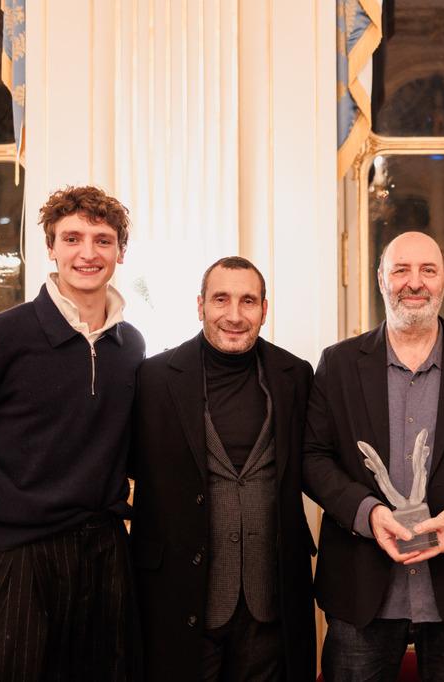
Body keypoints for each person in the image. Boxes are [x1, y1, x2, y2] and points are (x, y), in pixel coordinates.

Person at [0, 186, 145, 681]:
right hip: (17, 555)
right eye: (72, 238)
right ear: (50, 248)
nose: (88, 253)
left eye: (103, 240)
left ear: (120, 253)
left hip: (104, 552)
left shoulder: (131, 346)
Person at [303, 231, 444, 681]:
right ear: (381, 279)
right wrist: (367, 513)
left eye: (428, 270)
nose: (414, 282)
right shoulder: (338, 363)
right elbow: (312, 458)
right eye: (401, 270)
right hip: (360, 590)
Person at [127, 256, 316, 681]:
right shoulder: (154, 378)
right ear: (200, 306)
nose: (234, 315)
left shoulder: (295, 375)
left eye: (247, 301)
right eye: (220, 299)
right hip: (180, 595)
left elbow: (317, 461)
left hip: (271, 601)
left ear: (264, 310)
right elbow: (116, 460)